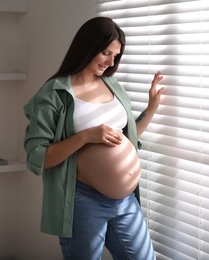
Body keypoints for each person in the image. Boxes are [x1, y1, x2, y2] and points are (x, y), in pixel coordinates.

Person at [24, 16, 165, 259]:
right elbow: (37, 157)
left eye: (116, 56)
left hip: (125, 201)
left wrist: (151, 107)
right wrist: (86, 136)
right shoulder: (55, 92)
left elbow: (127, 141)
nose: (111, 61)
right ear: (87, 46)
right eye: (105, 53)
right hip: (83, 199)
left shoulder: (113, 85)